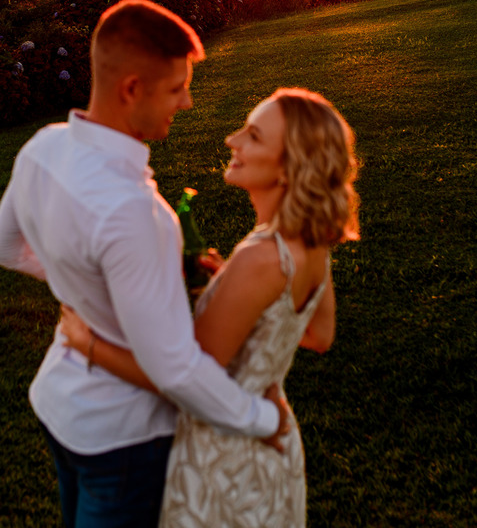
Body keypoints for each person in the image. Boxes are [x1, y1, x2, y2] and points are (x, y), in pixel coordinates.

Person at [0, 0, 289, 528]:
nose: (188, 102)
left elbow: (7, 250)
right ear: (132, 89)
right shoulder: (136, 213)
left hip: (60, 406)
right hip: (125, 439)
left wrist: (87, 280)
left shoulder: (41, 149)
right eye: (176, 89)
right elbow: (173, 368)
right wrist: (264, 419)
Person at [59, 87, 360, 527]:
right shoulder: (311, 241)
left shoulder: (259, 259)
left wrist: (86, 343)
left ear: (288, 168)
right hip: (272, 452)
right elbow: (318, 334)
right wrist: (230, 286)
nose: (231, 140)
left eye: (253, 136)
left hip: (226, 459)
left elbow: (183, 376)